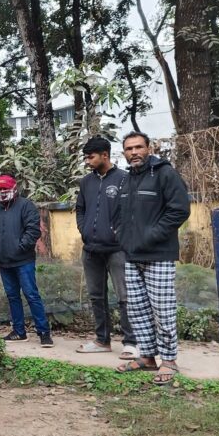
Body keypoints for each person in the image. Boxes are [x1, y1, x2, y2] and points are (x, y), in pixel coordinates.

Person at [113, 131, 190, 385]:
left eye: (138, 147)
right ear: (124, 153)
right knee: (138, 309)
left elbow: (179, 210)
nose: (134, 152)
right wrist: (122, 237)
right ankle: (147, 357)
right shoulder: (127, 180)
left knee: (162, 310)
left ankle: (168, 360)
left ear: (149, 148)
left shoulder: (165, 173)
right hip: (132, 254)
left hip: (159, 254)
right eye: (129, 149)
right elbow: (119, 214)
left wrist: (150, 236)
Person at [75, 136, 138, 360]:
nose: (87, 161)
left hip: (117, 250)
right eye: (85, 157)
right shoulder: (86, 182)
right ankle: (102, 340)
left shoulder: (124, 179)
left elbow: (132, 212)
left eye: (91, 157)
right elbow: (80, 209)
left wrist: (119, 234)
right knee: (96, 296)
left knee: (125, 296)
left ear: (105, 155)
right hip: (91, 249)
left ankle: (131, 343)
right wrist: (84, 230)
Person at [0, 174, 53, 347]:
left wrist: (19, 247)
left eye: (6, 188)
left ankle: (44, 333)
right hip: (4, 262)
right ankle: (19, 331)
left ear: (14, 188)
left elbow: (33, 231)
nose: (3, 191)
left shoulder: (26, 205)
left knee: (31, 295)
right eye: (0, 189)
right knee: (12, 297)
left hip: (23, 261)